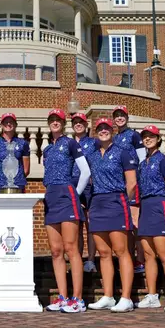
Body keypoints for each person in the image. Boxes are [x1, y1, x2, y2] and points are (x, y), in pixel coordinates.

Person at [86, 118, 137, 313]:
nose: (104, 131)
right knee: (104, 252)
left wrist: (122, 200)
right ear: (96, 132)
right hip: (97, 202)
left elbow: (131, 183)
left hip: (116, 201)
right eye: (100, 128)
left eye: (107, 128)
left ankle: (126, 297)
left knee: (121, 250)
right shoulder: (91, 155)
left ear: (112, 131)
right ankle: (108, 296)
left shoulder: (122, 152)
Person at [42, 109, 91, 314]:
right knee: (56, 251)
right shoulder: (46, 149)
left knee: (72, 248)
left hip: (67, 195)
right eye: (52, 120)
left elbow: (86, 172)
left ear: (63, 124)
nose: (55, 123)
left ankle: (77, 299)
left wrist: (75, 192)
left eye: (58, 120)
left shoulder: (70, 143)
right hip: (50, 197)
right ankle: (62, 297)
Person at [136, 125, 165, 312]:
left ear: (158, 138)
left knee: (164, 254)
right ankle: (152, 295)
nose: (148, 139)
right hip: (145, 207)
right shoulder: (142, 163)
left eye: (151, 136)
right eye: (145, 136)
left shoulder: (163, 160)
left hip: (159, 204)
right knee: (148, 254)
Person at [112, 105, 147, 273]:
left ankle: (140, 260)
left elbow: (142, 158)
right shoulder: (114, 138)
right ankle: (132, 260)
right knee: (126, 224)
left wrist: (136, 179)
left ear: (127, 117)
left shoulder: (134, 135)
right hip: (119, 183)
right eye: (117, 116)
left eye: (122, 115)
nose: (120, 118)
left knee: (135, 223)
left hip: (133, 181)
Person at [70, 113, 97, 273]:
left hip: (88, 185)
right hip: (72, 184)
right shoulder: (69, 143)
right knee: (77, 225)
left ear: (86, 125)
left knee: (89, 223)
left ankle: (91, 260)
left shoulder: (93, 142)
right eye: (75, 122)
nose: (78, 124)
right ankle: (78, 259)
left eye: (81, 122)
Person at [0, 112, 30, 193]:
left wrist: (16, 178)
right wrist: (0, 178)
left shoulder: (23, 143)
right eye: (6, 122)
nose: (8, 124)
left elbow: (26, 170)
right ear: (1, 125)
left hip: (17, 183)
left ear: (16, 125)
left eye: (11, 122)